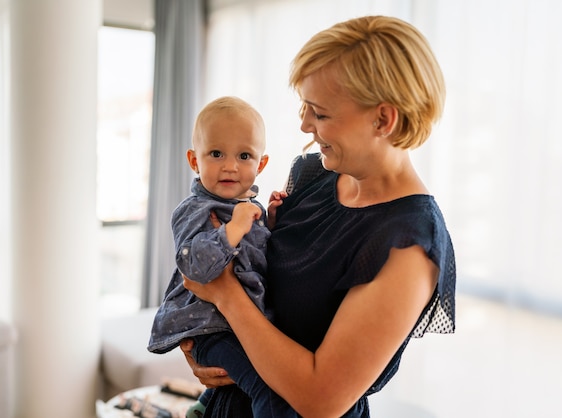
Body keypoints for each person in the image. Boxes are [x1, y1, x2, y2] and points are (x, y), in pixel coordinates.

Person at [179, 15, 457, 418]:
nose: (304, 124)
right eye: (304, 107)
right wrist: (201, 345)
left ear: (383, 119)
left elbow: (320, 400)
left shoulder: (409, 242)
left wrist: (224, 294)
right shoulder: (310, 174)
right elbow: (254, 273)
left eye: (320, 113)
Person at [147, 96, 296, 417]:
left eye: (244, 155)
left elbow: (257, 258)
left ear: (261, 164)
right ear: (193, 160)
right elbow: (193, 267)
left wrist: (269, 221)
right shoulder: (195, 210)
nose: (230, 166)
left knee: (258, 379)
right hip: (212, 328)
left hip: (245, 323)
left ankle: (204, 406)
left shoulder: (248, 209)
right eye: (216, 154)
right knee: (269, 386)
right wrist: (234, 229)